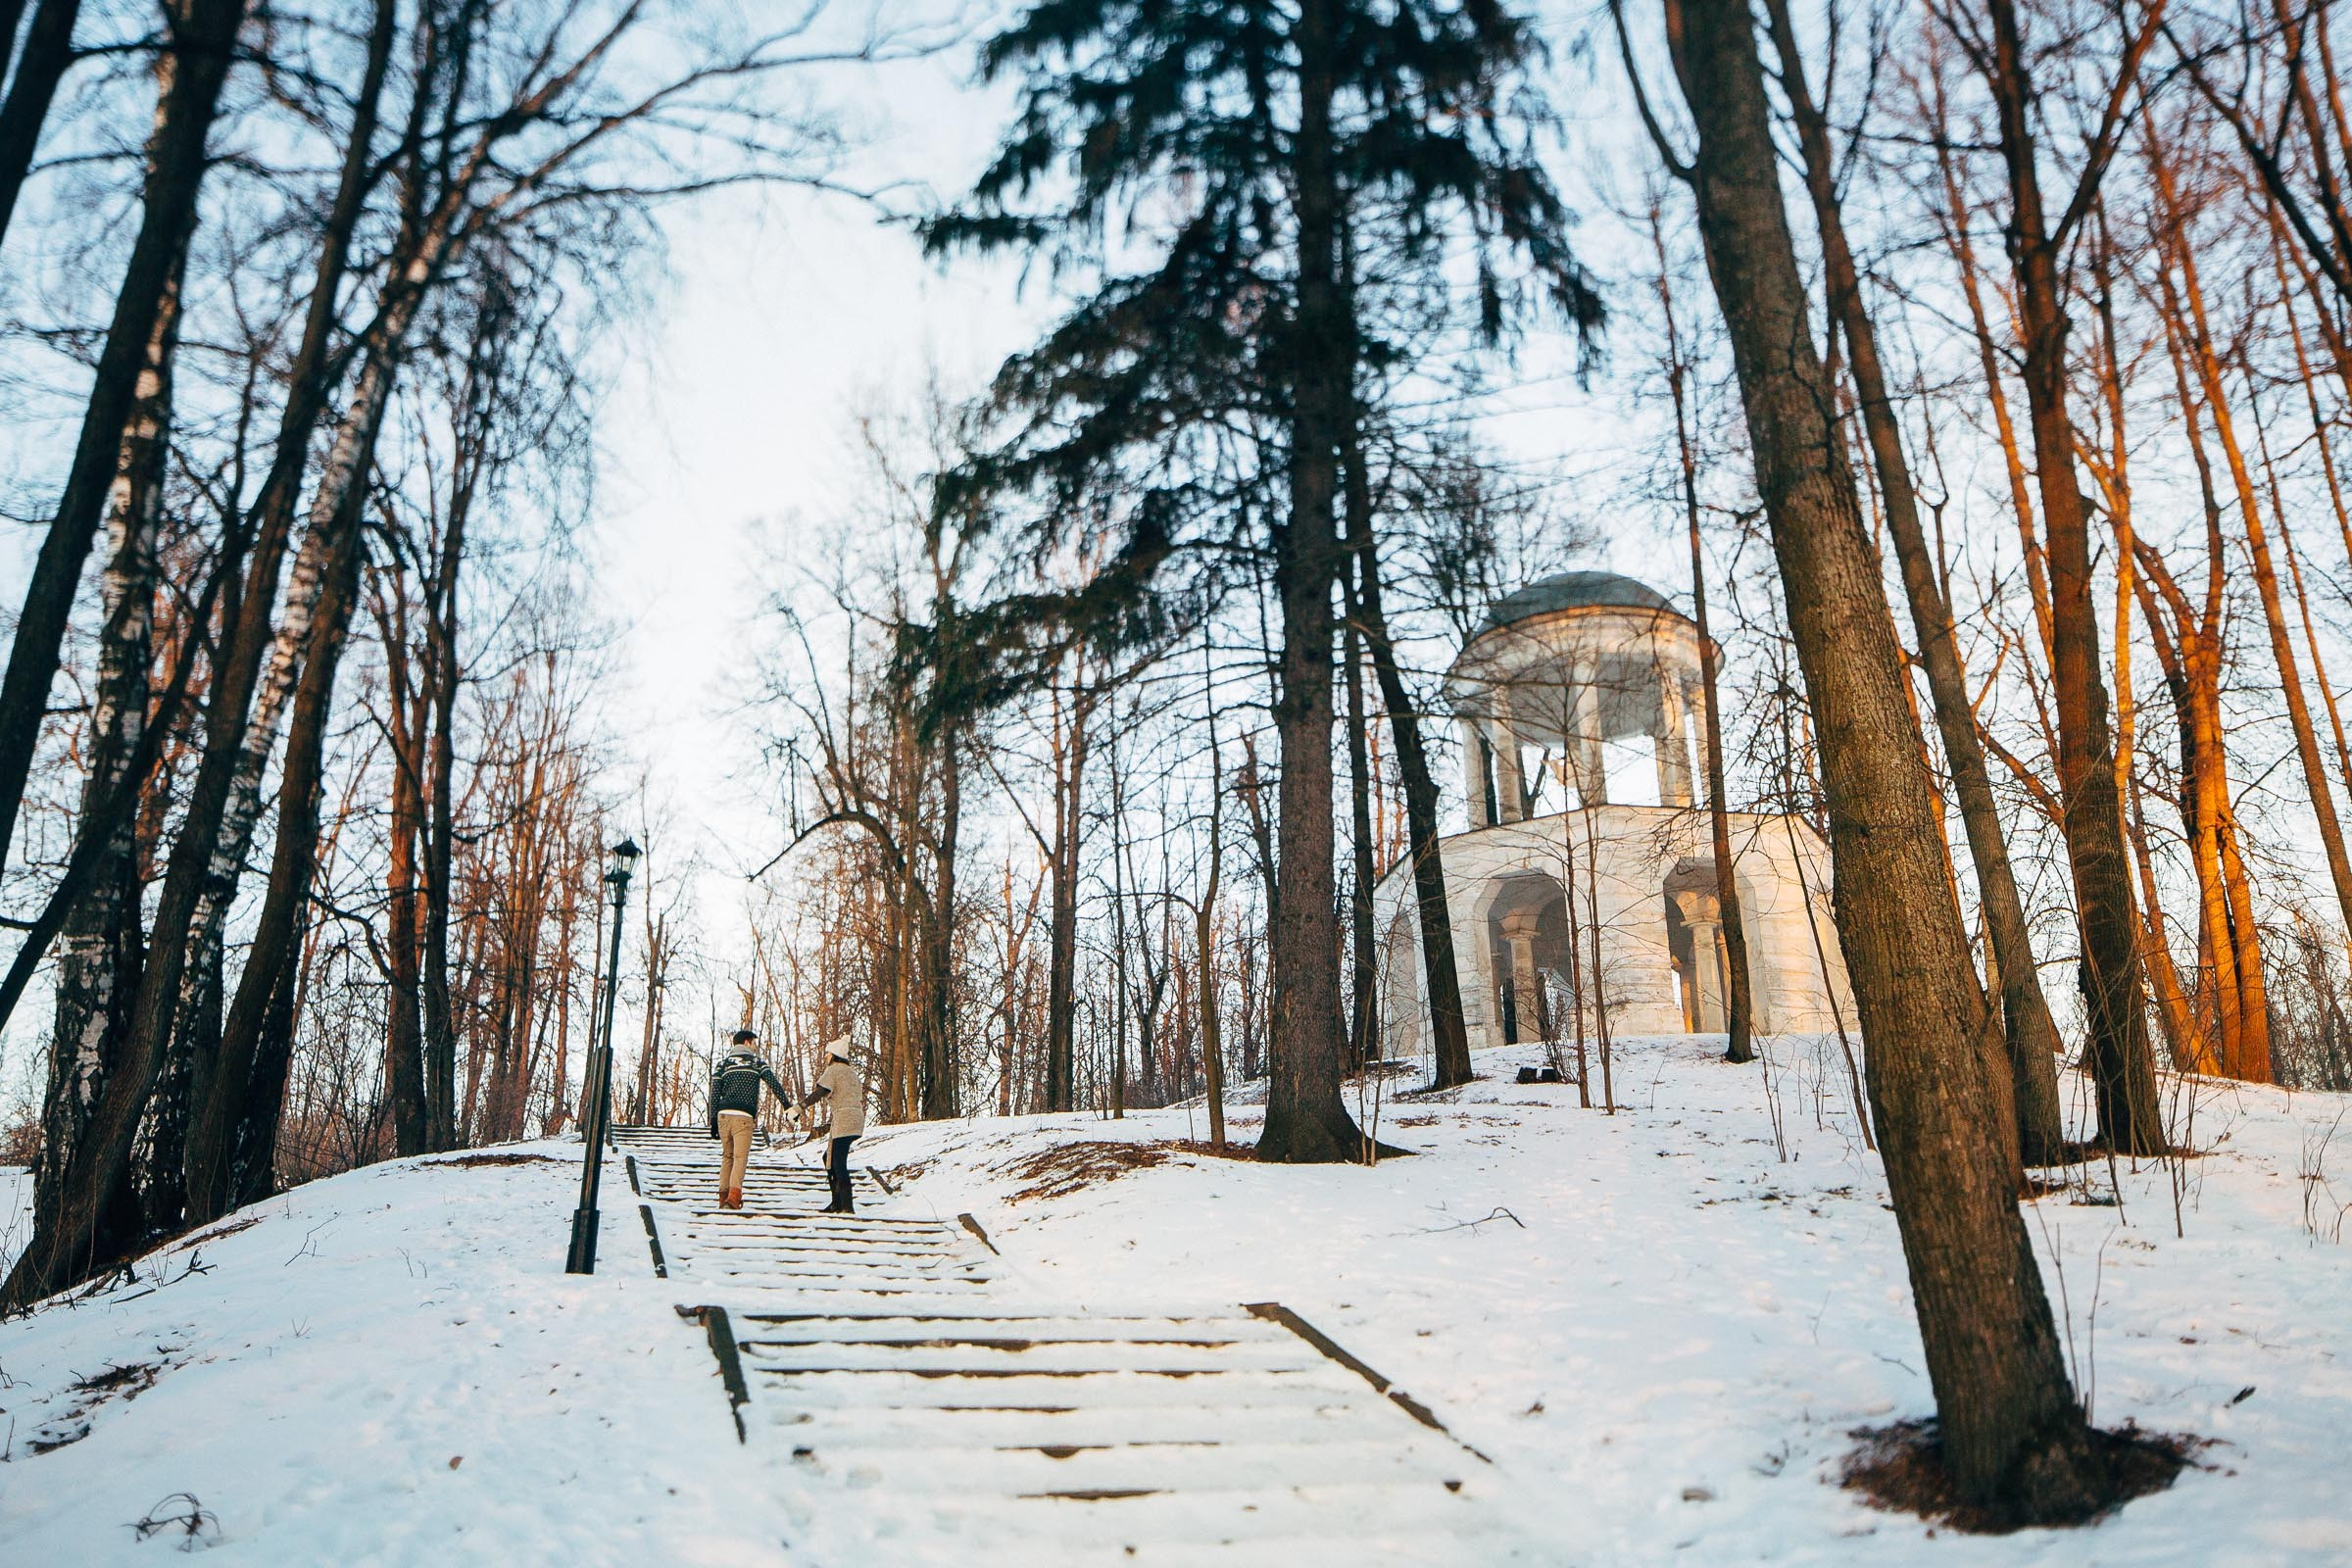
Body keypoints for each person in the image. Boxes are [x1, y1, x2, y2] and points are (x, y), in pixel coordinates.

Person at [707, 1030, 789, 1210]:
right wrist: (787, 1106)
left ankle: (723, 1197)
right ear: (746, 1042)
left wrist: (713, 1119)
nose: (755, 1046)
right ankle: (733, 1198)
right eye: (754, 1043)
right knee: (740, 1157)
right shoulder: (756, 1062)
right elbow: (773, 1084)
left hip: (723, 1115)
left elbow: (714, 1093)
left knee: (727, 1156)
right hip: (743, 1115)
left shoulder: (723, 1064)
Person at [801, 1033, 867, 1215]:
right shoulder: (851, 1072)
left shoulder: (834, 1070)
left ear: (834, 1055)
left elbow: (821, 1091)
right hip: (856, 1118)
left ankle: (845, 1206)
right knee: (829, 1158)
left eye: (827, 1054)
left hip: (844, 1118)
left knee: (838, 1162)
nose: (825, 1057)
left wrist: (800, 1107)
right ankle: (837, 1203)